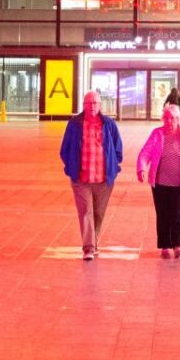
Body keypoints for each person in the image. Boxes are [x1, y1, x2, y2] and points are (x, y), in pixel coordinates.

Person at [59, 90, 124, 260]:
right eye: (89, 103)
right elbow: (64, 150)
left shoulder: (109, 124)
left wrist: (113, 166)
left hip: (104, 180)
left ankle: (93, 243)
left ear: (100, 105)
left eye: (95, 103)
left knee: (98, 214)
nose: (92, 106)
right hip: (81, 179)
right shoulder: (74, 124)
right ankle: (88, 248)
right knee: (86, 213)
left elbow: (118, 149)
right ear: (84, 105)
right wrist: (71, 166)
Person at [136, 103, 180, 259]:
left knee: (178, 213)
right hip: (160, 184)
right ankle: (165, 245)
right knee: (163, 214)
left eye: (172, 118)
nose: (169, 121)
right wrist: (141, 168)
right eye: (166, 118)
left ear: (178, 119)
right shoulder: (157, 134)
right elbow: (145, 153)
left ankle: (178, 244)